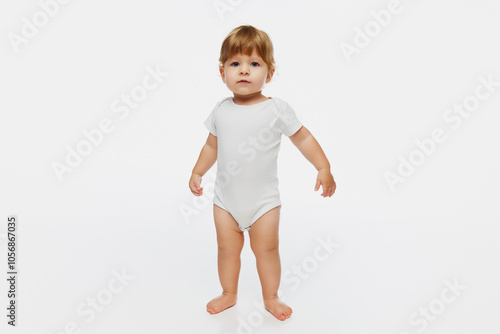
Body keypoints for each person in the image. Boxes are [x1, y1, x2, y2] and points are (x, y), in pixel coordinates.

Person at [189, 25, 336, 321]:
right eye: (235, 64)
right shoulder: (220, 110)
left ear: (269, 74)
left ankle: (271, 296)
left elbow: (303, 138)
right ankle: (229, 293)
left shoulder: (276, 110)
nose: (244, 71)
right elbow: (210, 146)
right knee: (226, 250)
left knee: (266, 249)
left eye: (254, 64)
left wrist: (323, 167)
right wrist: (197, 172)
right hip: (225, 201)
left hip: (263, 203)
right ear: (222, 73)